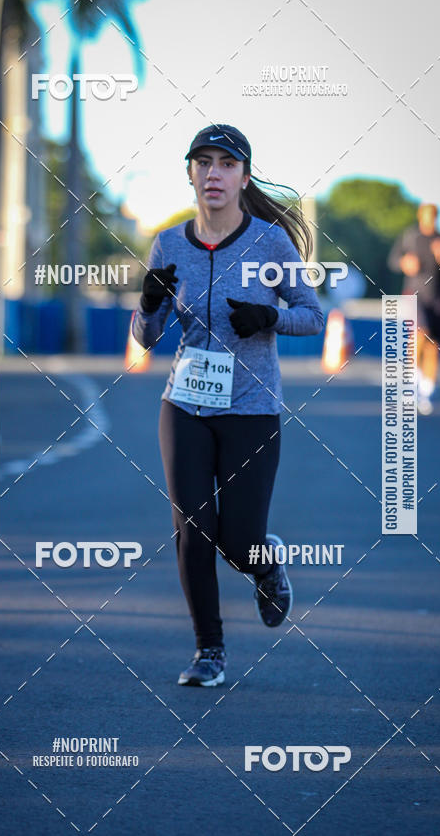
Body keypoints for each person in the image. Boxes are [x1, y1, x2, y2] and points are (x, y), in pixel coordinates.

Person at [132, 124, 324, 687]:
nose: (213, 173)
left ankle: (266, 564)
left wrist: (270, 317)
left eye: (226, 163)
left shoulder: (270, 243)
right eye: (203, 162)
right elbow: (145, 337)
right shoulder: (168, 244)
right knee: (193, 529)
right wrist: (148, 304)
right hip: (185, 405)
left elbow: (312, 316)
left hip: (251, 409)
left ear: (243, 176)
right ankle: (208, 651)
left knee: (239, 544)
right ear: (190, 173)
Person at [388, 203, 440, 415]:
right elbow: (393, 261)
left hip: (438, 298)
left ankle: (426, 393)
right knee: (419, 335)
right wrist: (404, 262)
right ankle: (410, 386)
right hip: (415, 295)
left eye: (433, 217)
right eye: (427, 216)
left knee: (433, 345)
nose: (430, 220)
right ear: (420, 216)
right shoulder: (410, 237)